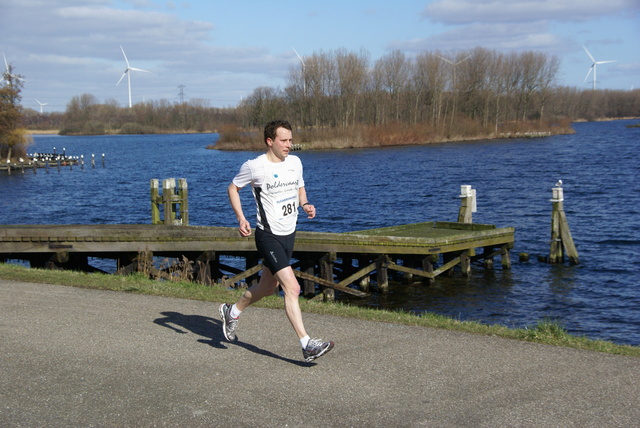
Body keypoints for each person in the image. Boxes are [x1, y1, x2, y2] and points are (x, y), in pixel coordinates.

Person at [219, 119, 334, 362]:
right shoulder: (255, 166)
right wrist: (241, 219)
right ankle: (307, 344)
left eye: (291, 140)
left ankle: (232, 311)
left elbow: (300, 188)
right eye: (284, 140)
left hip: (289, 234)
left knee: (267, 287)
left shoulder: (295, 162)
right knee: (292, 288)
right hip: (267, 236)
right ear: (270, 141)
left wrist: (305, 204)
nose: (289, 145)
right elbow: (232, 188)